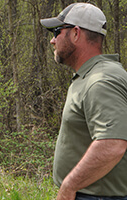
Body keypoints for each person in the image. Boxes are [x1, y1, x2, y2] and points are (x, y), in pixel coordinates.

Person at [40, 3, 127, 200]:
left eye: (56, 32)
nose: (53, 41)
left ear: (76, 34)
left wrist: (69, 186)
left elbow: (112, 143)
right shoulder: (91, 76)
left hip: (97, 196)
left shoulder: (101, 81)